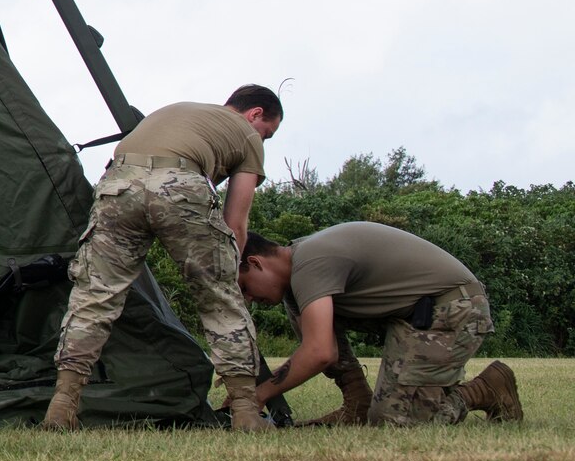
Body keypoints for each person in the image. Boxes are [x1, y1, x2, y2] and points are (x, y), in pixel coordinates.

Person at [42, 84, 283, 432]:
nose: (264, 139)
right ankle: (246, 413)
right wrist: (228, 270)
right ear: (255, 114)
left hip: (117, 184)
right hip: (180, 184)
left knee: (93, 298)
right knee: (219, 300)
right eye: (268, 132)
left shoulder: (179, 109)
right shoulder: (247, 135)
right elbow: (237, 221)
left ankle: (62, 406)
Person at [238, 222, 522, 426]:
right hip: (414, 315)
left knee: (394, 421)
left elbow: (319, 352)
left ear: (255, 263)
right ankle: (357, 402)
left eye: (245, 287)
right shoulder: (297, 280)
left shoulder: (311, 263)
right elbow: (325, 347)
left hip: (453, 310)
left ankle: (487, 388)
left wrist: (257, 396)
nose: (249, 298)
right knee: (301, 311)